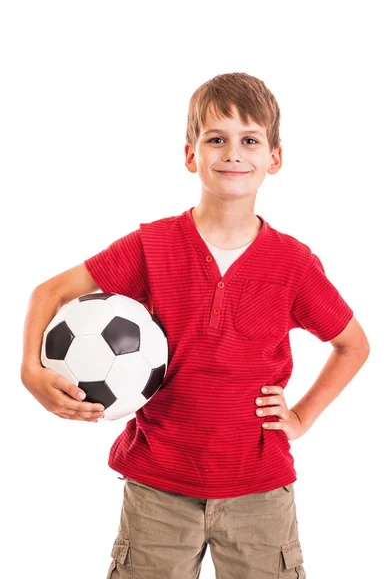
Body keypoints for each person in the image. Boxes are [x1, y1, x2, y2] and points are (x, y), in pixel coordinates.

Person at [21, 72, 370, 578]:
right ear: (191, 155)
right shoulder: (152, 245)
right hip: (158, 488)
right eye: (216, 139)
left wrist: (301, 417)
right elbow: (46, 292)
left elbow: (352, 345)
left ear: (274, 157)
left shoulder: (293, 264)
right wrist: (31, 373)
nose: (233, 153)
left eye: (250, 140)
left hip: (259, 492)